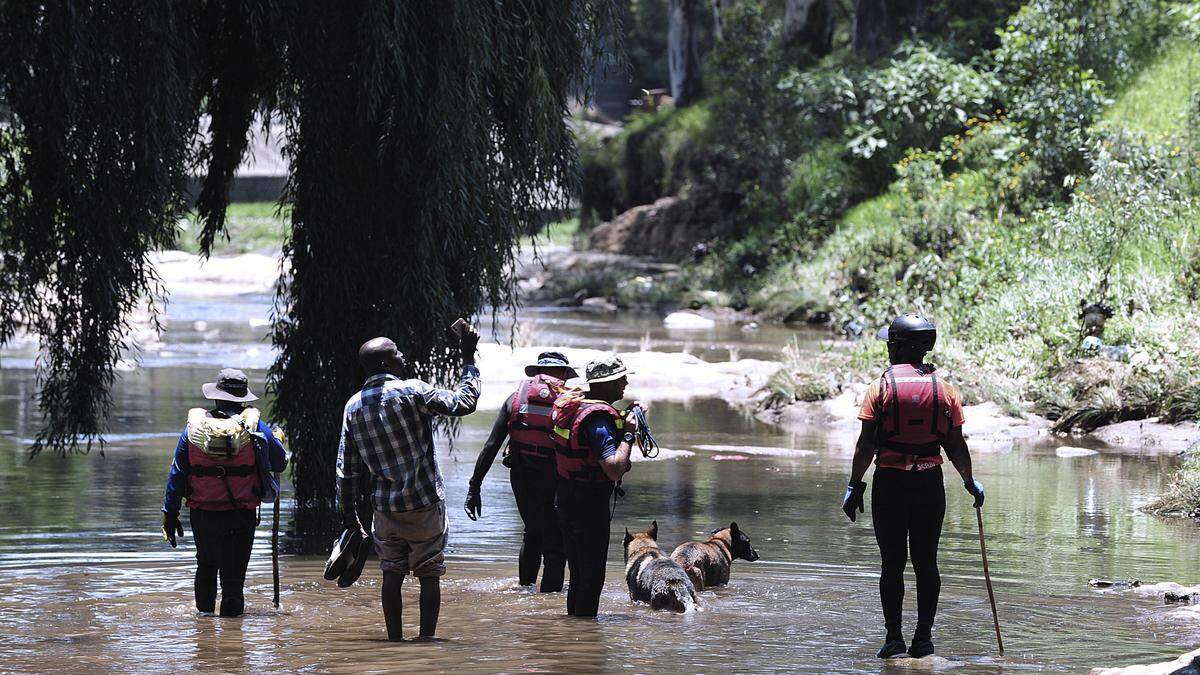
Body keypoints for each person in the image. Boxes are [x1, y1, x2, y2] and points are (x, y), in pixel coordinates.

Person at [841, 313, 985, 659]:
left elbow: (866, 445)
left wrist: (854, 485)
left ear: (902, 348)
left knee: (892, 563)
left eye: (891, 344)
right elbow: (955, 445)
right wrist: (968, 480)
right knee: (927, 562)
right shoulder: (946, 390)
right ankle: (923, 640)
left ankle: (894, 639)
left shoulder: (879, 388)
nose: (888, 349)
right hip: (929, 485)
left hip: (890, 484)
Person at [337, 325, 481, 641]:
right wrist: (468, 358)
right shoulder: (413, 391)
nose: (403, 357)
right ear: (388, 363)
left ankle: (395, 641)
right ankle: (427, 642)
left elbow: (346, 470)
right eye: (398, 353)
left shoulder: (353, 405)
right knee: (429, 573)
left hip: (385, 509)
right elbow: (464, 402)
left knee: (391, 572)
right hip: (424, 503)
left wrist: (350, 517)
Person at [161, 368, 288, 617]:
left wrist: (170, 514)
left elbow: (177, 474)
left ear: (216, 397)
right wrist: (277, 440)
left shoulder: (194, 429)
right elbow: (279, 463)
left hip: (203, 514)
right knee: (234, 578)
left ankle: (204, 630)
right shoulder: (254, 427)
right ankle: (233, 639)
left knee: (206, 566)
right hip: (241, 515)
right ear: (242, 398)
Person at [464, 351, 577, 592]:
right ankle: (548, 607)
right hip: (555, 478)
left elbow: (491, 446)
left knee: (532, 532)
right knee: (555, 544)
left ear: (536, 374)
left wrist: (474, 488)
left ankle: (525, 591)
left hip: (522, 476)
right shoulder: (570, 402)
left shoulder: (515, 398)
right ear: (564, 374)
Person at [550, 354, 640, 618]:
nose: (625, 383)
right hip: (587, 504)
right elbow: (613, 469)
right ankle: (583, 640)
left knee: (578, 573)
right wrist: (628, 434)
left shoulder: (578, 406)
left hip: (567, 497)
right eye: (620, 379)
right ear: (607, 383)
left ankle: (573, 630)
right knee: (591, 576)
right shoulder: (599, 420)